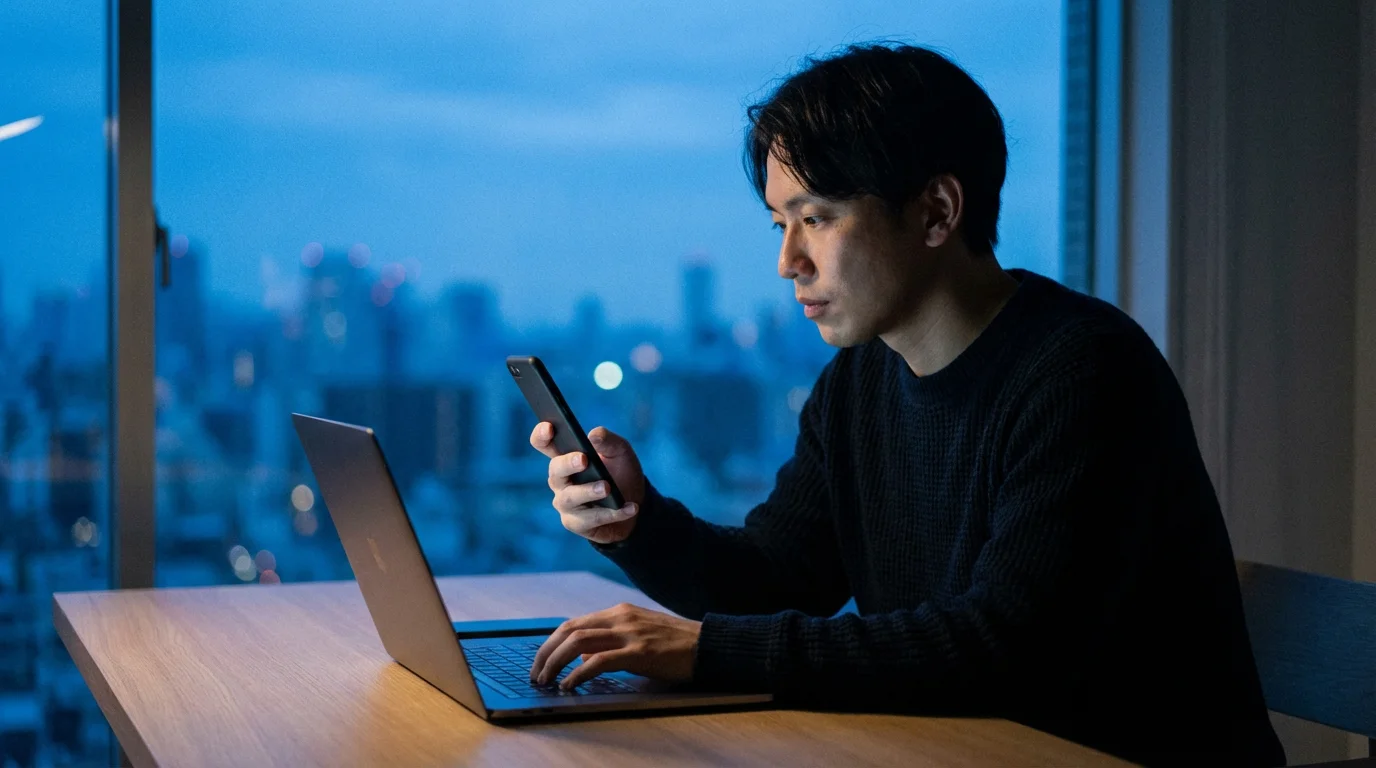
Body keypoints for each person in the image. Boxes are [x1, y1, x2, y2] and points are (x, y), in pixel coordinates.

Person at [525, 43, 1285, 766]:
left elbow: (1005, 646)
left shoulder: (1084, 371)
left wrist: (705, 650)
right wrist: (636, 522)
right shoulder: (860, 378)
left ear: (935, 213)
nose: (787, 262)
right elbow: (779, 579)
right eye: (779, 223)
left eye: (815, 219)